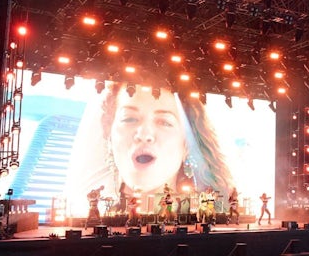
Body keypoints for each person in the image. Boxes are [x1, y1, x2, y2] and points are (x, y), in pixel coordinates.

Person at [65, 83, 236, 218]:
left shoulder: (201, 206)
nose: (144, 134)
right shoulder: (91, 209)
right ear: (109, 136)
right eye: (129, 119)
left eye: (164, 122)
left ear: (186, 145)